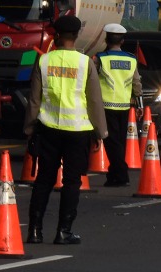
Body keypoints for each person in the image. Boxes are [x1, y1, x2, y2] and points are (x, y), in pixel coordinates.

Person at [25, 14, 107, 244]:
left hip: (48, 128)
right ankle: (64, 231)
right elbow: (94, 101)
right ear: (77, 35)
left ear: (56, 36)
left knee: (43, 180)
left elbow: (34, 100)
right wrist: (100, 132)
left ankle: (34, 230)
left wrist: (29, 130)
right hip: (78, 131)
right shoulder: (85, 63)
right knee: (72, 182)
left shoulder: (43, 61)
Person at [95, 23, 138, 186]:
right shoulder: (131, 59)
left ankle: (121, 174)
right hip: (125, 106)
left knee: (111, 142)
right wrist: (138, 100)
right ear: (122, 41)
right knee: (119, 142)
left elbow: (92, 81)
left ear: (106, 39)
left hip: (106, 106)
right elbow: (137, 83)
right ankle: (113, 176)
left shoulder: (101, 58)